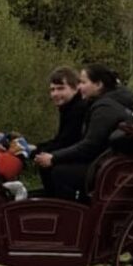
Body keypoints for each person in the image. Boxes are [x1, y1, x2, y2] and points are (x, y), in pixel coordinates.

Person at [33, 63, 133, 202]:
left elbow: (90, 146)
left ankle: (70, 215)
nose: (79, 86)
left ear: (98, 84)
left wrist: (54, 157)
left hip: (105, 167)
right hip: (108, 162)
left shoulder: (104, 108)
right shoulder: (106, 104)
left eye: (83, 82)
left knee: (60, 172)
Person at [33, 67, 87, 196]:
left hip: (83, 160)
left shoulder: (78, 110)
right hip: (77, 154)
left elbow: (67, 142)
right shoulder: (68, 107)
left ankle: (58, 204)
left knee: (48, 164)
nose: (55, 94)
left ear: (75, 88)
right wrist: (35, 147)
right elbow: (60, 139)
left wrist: (36, 151)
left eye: (61, 88)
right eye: (52, 90)